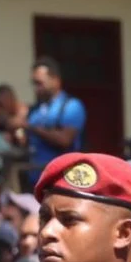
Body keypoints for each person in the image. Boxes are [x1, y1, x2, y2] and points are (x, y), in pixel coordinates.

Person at [24, 56, 86, 188]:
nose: (36, 88)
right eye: (33, 83)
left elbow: (65, 140)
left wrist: (32, 128)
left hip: (62, 180)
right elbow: (28, 142)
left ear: (56, 80)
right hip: (35, 180)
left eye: (39, 83)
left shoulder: (71, 106)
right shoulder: (35, 110)